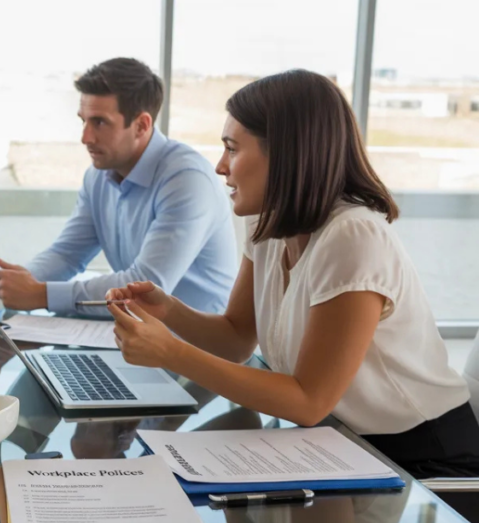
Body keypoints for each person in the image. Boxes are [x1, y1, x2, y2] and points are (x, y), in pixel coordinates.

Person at [107, 69, 479, 478]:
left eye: (232, 149)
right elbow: (235, 338)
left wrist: (172, 352)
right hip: (334, 442)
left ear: (286, 154)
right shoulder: (268, 223)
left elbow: (308, 400)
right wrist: (169, 312)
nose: (220, 166)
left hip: (419, 459)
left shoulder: (353, 236)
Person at [0, 57, 237, 318]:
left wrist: (41, 295)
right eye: (83, 121)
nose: (85, 137)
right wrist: (19, 283)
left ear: (141, 125)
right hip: (138, 334)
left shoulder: (187, 180)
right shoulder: (98, 176)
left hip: (195, 346)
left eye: (99, 122)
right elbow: (67, 255)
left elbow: (145, 287)